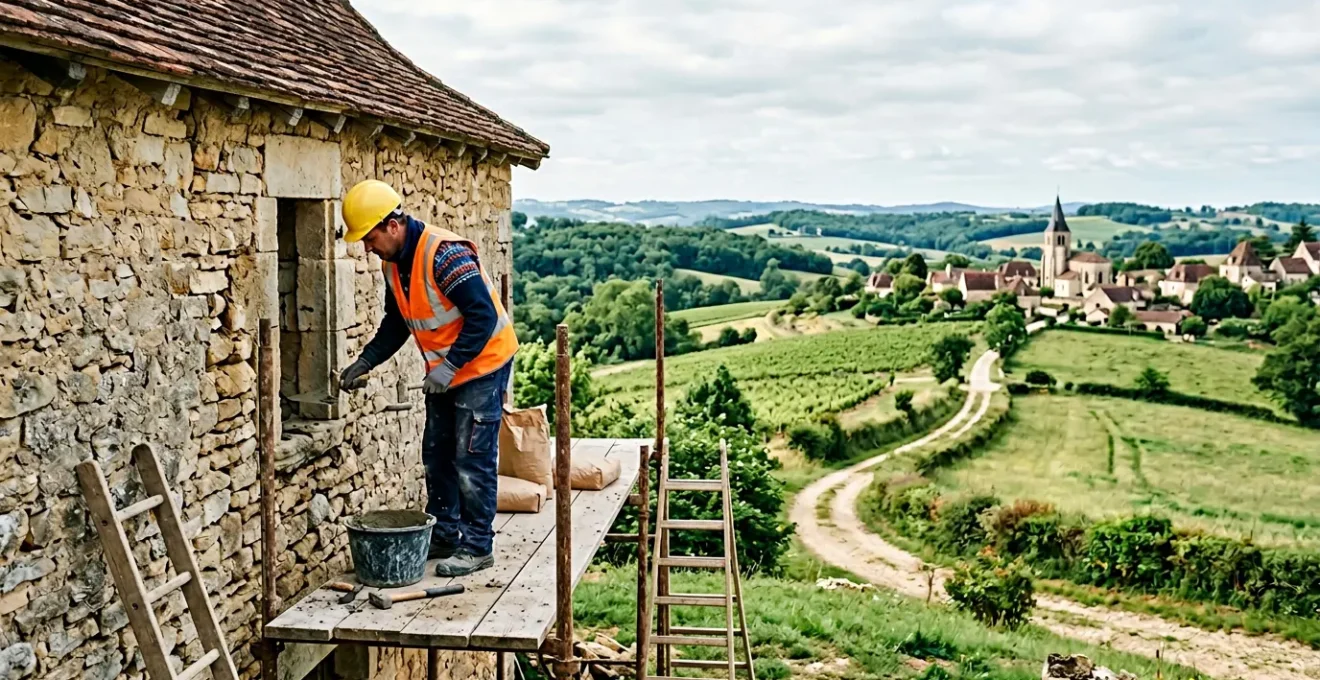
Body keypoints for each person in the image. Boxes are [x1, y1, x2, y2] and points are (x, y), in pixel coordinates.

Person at [338, 179, 517, 577]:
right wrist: (365, 361)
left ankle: (476, 547)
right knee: (437, 454)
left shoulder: (445, 256)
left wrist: (451, 368)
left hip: (482, 364)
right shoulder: (393, 264)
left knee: (471, 459)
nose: (366, 248)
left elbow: (483, 317)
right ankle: (445, 534)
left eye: (369, 238)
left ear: (393, 225)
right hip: (445, 370)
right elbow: (397, 322)